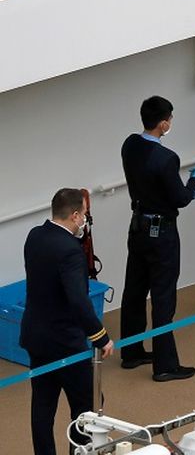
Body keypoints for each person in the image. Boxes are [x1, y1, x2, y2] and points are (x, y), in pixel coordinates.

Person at [22, 189, 114, 455]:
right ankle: (80, 452)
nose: (85, 220)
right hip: (64, 342)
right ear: (75, 215)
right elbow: (78, 299)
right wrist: (100, 335)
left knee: (43, 406)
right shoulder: (70, 250)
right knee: (87, 405)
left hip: (36, 336)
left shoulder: (34, 236)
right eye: (84, 215)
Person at [118, 96, 195, 381]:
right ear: (164, 123)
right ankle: (165, 365)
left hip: (137, 227)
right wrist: (193, 183)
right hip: (162, 232)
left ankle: (131, 351)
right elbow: (180, 199)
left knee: (135, 290)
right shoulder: (166, 158)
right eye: (170, 119)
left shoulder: (129, 144)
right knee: (163, 296)